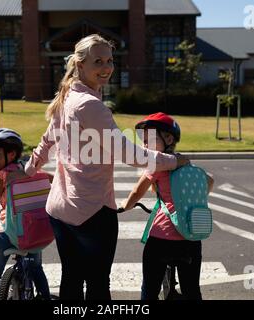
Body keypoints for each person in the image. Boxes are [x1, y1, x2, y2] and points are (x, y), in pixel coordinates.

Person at [23, 34, 190, 300]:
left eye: (110, 60)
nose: (106, 67)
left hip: (60, 209)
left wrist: (29, 169)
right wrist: (174, 160)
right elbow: (129, 153)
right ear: (79, 65)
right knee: (98, 284)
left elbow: (46, 141)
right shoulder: (90, 105)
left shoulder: (66, 97)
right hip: (92, 211)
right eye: (98, 61)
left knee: (72, 278)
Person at [119, 112, 214, 300]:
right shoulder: (186, 163)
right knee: (191, 290)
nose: (145, 145)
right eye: (143, 140)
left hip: (161, 239)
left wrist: (125, 205)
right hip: (190, 236)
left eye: (149, 140)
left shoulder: (158, 165)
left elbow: (137, 193)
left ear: (168, 138)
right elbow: (209, 182)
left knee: (149, 288)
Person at [0, 128, 51, 300]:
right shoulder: (27, 169)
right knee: (36, 268)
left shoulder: (1, 176)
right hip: (33, 230)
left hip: (9, 232)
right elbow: (50, 177)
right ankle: (45, 297)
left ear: (11, 154)